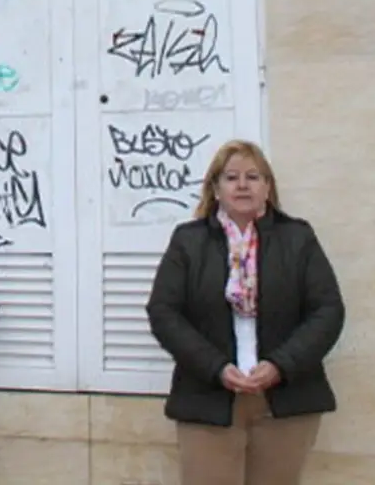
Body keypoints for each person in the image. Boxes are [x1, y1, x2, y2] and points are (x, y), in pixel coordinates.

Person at [145, 139, 345, 485]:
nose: (242, 185)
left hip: (284, 398)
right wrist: (216, 367)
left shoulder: (298, 238)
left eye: (253, 176)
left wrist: (281, 365)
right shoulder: (188, 241)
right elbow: (164, 312)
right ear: (215, 189)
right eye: (231, 177)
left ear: (267, 187)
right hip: (207, 398)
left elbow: (327, 311)